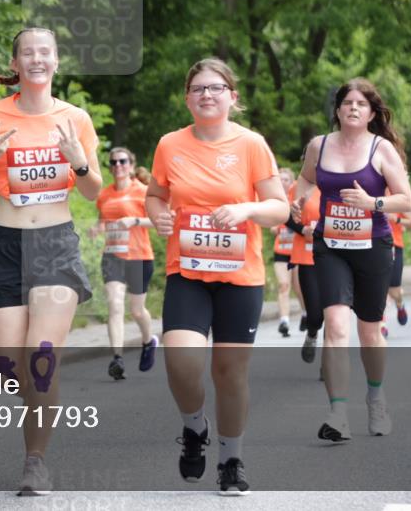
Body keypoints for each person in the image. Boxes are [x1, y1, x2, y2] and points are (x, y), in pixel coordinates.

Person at [0, 27, 101, 496]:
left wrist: (79, 162)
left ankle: (35, 461)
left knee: (42, 357)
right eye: (28, 52)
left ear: (57, 61)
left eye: (46, 52)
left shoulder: (75, 118)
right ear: (16, 64)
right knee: (6, 365)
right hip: (5, 244)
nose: (37, 59)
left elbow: (94, 189)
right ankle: (39, 405)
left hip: (55, 243)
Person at [145, 58, 288, 495]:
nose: (206, 94)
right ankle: (194, 428)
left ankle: (231, 459)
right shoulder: (170, 144)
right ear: (188, 98)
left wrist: (246, 209)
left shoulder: (251, 145)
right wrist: (158, 218)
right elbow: (155, 195)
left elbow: (279, 208)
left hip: (239, 276)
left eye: (215, 87)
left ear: (232, 96)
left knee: (229, 373)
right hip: (187, 271)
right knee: (182, 362)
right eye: (198, 89)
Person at [292, 78, 411, 442]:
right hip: (330, 246)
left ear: (372, 112)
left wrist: (373, 203)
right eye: (348, 102)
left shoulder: (382, 149)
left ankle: (375, 397)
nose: (354, 108)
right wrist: (299, 200)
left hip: (373, 246)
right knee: (336, 326)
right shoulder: (319, 145)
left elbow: (405, 200)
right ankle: (338, 413)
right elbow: (304, 178)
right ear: (338, 110)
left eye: (362, 104)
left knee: (369, 332)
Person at [89, 147, 157, 380]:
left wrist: (136, 220)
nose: (118, 166)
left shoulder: (143, 191)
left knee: (136, 311)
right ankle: (116, 358)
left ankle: (149, 341)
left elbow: (160, 220)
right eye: (113, 162)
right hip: (113, 255)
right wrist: (96, 229)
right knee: (114, 305)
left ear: (131, 164)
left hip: (138, 256)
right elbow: (103, 221)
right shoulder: (104, 195)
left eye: (122, 161)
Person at [271, 169, 305, 337]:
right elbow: (270, 226)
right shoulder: (274, 200)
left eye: (286, 179)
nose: (283, 182)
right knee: (283, 285)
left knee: (299, 288)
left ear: (291, 182)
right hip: (281, 250)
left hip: (297, 251)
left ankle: (305, 313)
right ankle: (284, 321)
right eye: (280, 179)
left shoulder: (297, 198)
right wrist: (274, 227)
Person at [291, 185, 322, 365]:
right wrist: (303, 229)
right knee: (315, 314)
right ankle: (312, 334)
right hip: (307, 257)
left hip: (337, 258)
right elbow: (286, 215)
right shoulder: (300, 187)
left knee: (335, 315)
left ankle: (329, 364)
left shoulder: (344, 182)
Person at [381, 190, 411, 336]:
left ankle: (400, 304)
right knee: (379, 286)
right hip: (375, 244)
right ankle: (381, 323)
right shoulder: (370, 189)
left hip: (394, 244)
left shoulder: (396, 194)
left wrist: (396, 219)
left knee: (394, 291)